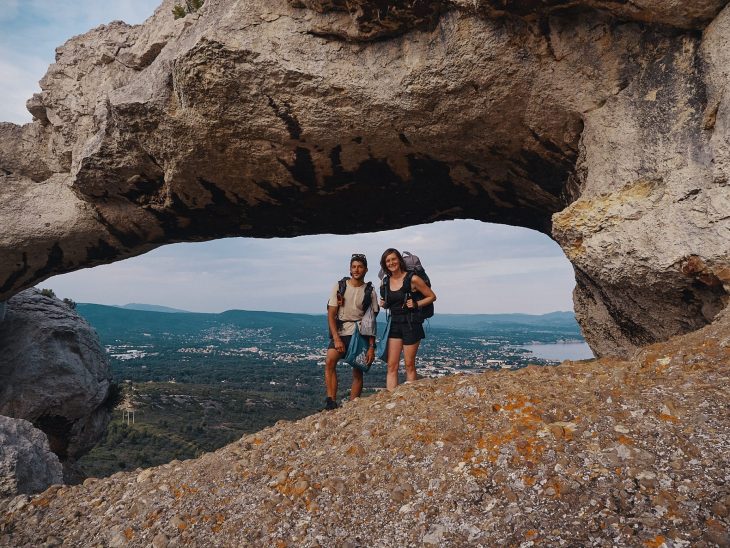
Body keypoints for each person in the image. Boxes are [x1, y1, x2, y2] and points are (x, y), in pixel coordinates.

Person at [324, 253, 379, 410]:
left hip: (360, 333)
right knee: (330, 361)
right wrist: (336, 338)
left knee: (358, 370)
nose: (357, 270)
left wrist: (371, 347)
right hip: (341, 332)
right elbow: (331, 314)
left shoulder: (370, 291)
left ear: (366, 270)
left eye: (360, 267)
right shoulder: (340, 286)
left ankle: (352, 407)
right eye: (354, 267)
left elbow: (371, 321)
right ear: (350, 269)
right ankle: (331, 402)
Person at [379, 248, 437, 390]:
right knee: (392, 365)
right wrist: (385, 304)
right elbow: (391, 302)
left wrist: (417, 303)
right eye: (388, 261)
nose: (391, 263)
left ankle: (411, 399)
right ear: (384, 264)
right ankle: (391, 399)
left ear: (399, 260)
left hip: (411, 324)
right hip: (394, 324)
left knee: (409, 364)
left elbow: (432, 296)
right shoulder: (386, 282)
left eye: (393, 259)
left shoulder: (413, 279)